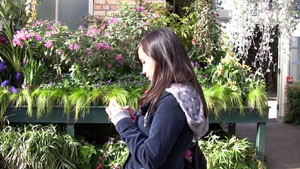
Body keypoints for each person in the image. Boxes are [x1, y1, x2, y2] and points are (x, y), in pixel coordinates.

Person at [105, 28, 209, 169]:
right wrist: (135, 117)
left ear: (161, 58)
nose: (143, 71)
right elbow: (162, 129)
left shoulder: (172, 103)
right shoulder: (180, 94)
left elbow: (150, 158)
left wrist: (122, 122)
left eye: (144, 62)